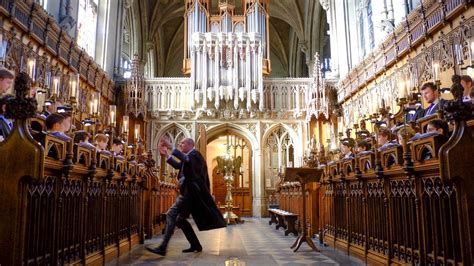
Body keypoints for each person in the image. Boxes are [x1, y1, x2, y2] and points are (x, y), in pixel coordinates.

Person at [147, 137, 226, 256]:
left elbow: (186, 160)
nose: (180, 144)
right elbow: (180, 165)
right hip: (189, 193)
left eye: (182, 143)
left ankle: (163, 247)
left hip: (190, 193)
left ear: (189, 144)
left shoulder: (195, 155)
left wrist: (170, 146)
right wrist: (167, 155)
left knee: (171, 214)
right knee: (180, 220)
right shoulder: (190, 156)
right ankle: (195, 245)